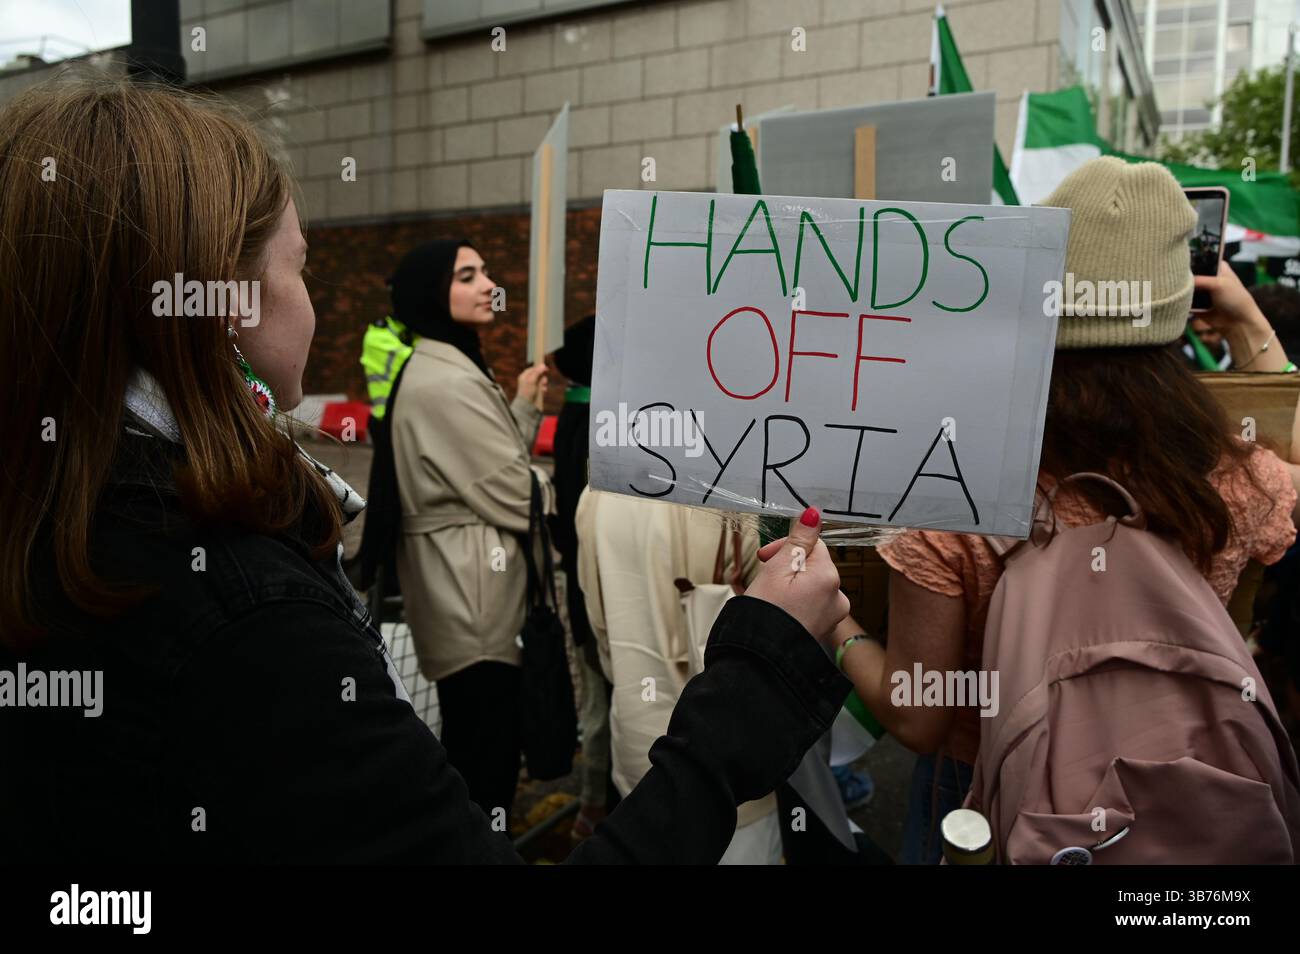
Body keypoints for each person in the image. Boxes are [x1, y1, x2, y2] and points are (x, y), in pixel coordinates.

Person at [0, 77, 851, 864]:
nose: (316, 300)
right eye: (301, 265)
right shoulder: (246, 611)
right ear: (222, 301)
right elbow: (503, 483)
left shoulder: (73, 518)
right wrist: (756, 677)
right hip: (473, 604)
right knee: (481, 750)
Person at [825, 157, 1300, 863]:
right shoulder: (1241, 477)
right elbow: (1284, 430)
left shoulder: (956, 484)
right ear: (1176, 319)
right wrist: (1248, 320)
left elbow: (917, 716)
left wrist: (830, 621)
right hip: (1188, 779)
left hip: (980, 799)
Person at [375, 238, 551, 827]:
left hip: (466, 590)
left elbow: (483, 466)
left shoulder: (447, 362)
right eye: (467, 275)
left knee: (481, 750)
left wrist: (522, 410)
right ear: (433, 292)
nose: (486, 285)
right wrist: (564, 492)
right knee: (485, 762)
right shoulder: (445, 380)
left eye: (486, 272)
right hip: (472, 599)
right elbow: (511, 492)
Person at [576, 491, 789, 863]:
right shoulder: (735, 492)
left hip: (637, 745)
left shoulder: (598, 491)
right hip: (727, 757)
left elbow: (599, 625)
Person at [548, 315, 617, 838]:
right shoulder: (600, 419)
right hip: (599, 584)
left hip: (581, 578)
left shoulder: (576, 415)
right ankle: (595, 808)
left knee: (601, 694)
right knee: (602, 700)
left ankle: (597, 806)